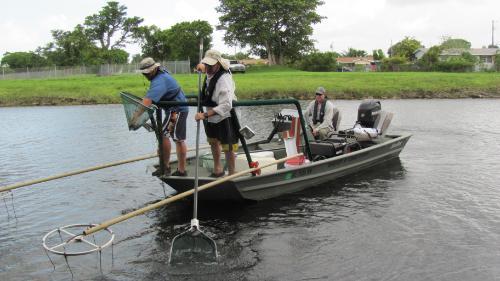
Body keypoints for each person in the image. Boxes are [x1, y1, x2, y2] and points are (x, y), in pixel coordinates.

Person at [133, 57, 189, 177]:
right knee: (170, 137)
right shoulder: (161, 73)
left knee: (168, 137)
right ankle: (167, 166)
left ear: (154, 69)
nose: (146, 76)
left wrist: (135, 117)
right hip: (173, 109)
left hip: (177, 110)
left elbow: (147, 102)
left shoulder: (160, 80)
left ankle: (174, 169)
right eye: (144, 74)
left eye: (148, 73)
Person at [194, 50, 239, 177]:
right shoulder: (209, 71)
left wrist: (205, 115)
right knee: (213, 141)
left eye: (210, 65)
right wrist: (202, 66)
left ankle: (231, 173)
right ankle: (218, 169)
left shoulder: (224, 79)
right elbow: (204, 67)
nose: (207, 68)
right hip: (211, 112)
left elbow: (226, 105)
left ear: (218, 64)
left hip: (225, 115)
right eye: (206, 65)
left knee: (228, 145)